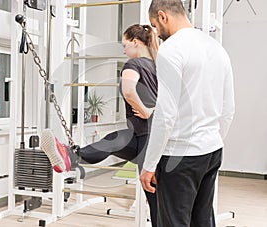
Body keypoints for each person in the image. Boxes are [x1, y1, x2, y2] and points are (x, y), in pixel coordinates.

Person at [41, 24, 159, 226]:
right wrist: (153, 111)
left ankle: (71, 156)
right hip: (146, 134)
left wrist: (146, 111)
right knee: (114, 140)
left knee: (156, 196)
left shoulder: (133, 65)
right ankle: (70, 156)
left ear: (135, 42)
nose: (124, 50)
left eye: (125, 45)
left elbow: (129, 91)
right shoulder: (157, 65)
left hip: (146, 134)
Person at [139, 0, 235, 227]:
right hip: (211, 151)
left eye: (154, 25)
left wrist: (149, 164)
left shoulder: (171, 50)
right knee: (202, 221)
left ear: (163, 16)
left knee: (174, 222)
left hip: (180, 156)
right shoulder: (217, 48)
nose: (156, 32)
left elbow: (166, 113)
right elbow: (228, 109)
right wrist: (211, 139)